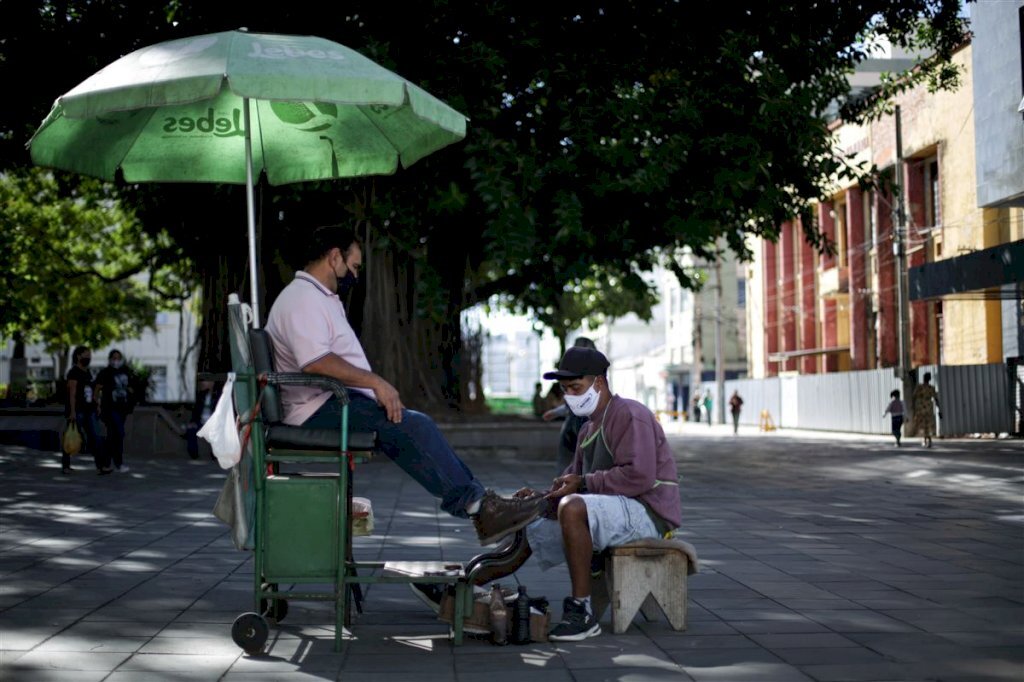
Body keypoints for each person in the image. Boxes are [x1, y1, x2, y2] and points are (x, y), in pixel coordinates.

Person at [264, 225, 544, 546]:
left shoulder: (318, 297)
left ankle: (481, 505)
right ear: (334, 257)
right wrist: (376, 383)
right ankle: (480, 507)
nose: (354, 275)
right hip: (314, 409)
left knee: (409, 430)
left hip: (329, 401)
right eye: (353, 266)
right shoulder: (302, 298)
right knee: (412, 426)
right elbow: (315, 361)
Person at [504, 346, 682, 641]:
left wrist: (581, 485)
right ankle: (473, 582)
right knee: (532, 522)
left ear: (598, 383)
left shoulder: (630, 414)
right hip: (615, 509)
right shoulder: (587, 430)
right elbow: (574, 484)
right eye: (565, 390)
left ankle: (582, 612)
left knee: (573, 508)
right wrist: (540, 498)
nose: (570, 396)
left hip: (650, 514)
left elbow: (639, 476)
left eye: (576, 387)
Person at [542, 337, 598, 475]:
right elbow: (571, 403)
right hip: (575, 425)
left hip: (585, 424)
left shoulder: (594, 376)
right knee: (571, 461)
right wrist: (556, 412)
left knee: (584, 461)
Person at [65, 346, 110, 475]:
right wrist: (72, 411)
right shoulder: (73, 372)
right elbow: (72, 393)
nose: (89, 357)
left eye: (90, 355)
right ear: (78, 356)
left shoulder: (88, 373)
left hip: (89, 410)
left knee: (96, 437)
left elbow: (92, 391)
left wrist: (97, 404)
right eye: (86, 354)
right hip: (78, 410)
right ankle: (66, 464)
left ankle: (101, 465)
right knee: (71, 437)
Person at [95, 349, 134, 472]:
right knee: (117, 433)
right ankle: (114, 462)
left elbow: (132, 386)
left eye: (118, 358)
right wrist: (97, 403)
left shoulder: (125, 372)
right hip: (110, 408)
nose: (116, 361)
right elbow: (97, 388)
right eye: (114, 358)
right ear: (110, 359)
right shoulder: (105, 373)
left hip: (122, 408)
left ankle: (109, 462)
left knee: (115, 436)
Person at [913, 372, 941, 448]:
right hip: (928, 407)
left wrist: (914, 408)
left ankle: (926, 440)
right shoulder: (931, 388)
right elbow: (936, 399)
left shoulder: (919, 387)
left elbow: (914, 397)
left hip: (921, 408)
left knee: (923, 425)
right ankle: (928, 441)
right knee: (928, 425)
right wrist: (939, 409)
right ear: (930, 379)